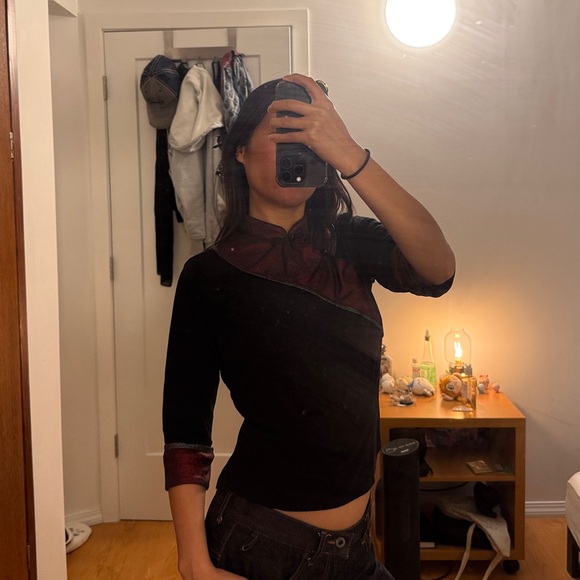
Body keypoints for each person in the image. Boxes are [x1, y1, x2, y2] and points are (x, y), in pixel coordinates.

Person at [162, 73, 455, 580]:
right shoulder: (208, 276)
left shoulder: (350, 243)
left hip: (357, 544)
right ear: (239, 151)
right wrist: (194, 563)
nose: (298, 151)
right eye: (283, 134)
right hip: (262, 543)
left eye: (311, 139)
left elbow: (438, 270)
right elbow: (186, 429)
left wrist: (352, 155)